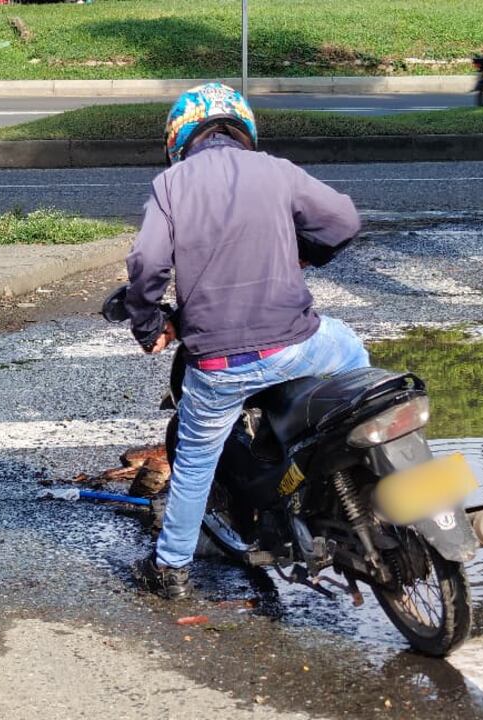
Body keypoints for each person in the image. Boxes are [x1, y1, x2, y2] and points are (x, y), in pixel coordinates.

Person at [125, 83, 370, 599]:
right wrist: (308, 254)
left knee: (194, 461)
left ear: (179, 137)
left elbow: (147, 265)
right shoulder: (276, 170)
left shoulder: (170, 186)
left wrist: (149, 326)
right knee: (356, 367)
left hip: (218, 364)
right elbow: (344, 220)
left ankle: (170, 569)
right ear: (242, 130)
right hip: (301, 343)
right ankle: (354, 472)